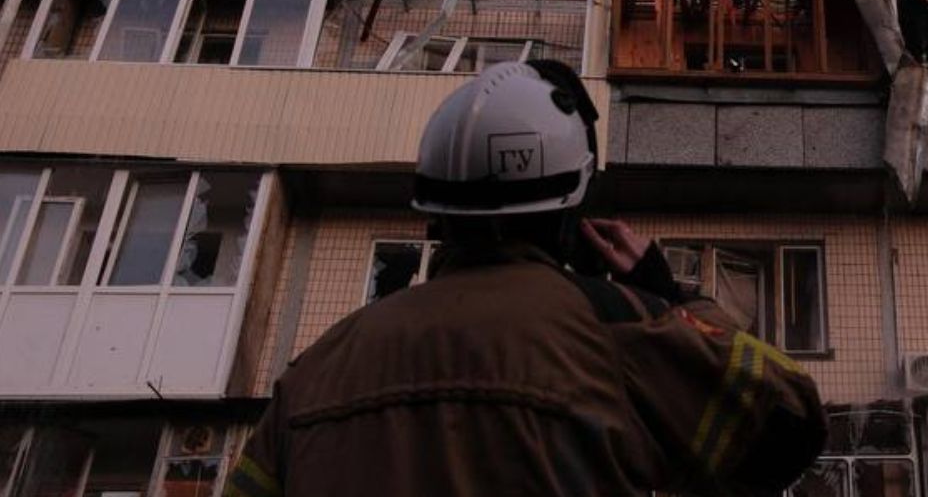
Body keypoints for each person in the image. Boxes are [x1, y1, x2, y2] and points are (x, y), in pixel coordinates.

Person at [224, 60, 826, 497]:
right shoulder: (614, 330)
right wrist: (666, 294)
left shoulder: (317, 370)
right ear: (572, 208)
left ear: (436, 212)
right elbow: (790, 422)